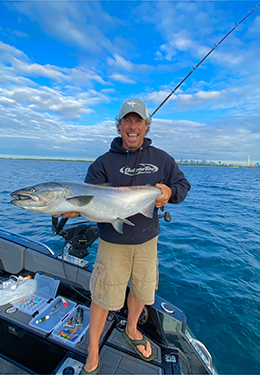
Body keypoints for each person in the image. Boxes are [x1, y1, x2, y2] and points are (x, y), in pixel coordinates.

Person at [57, 98, 190, 375]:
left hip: (147, 241)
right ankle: (92, 351)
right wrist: (75, 211)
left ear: (146, 125)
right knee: (102, 297)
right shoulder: (102, 163)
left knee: (142, 290)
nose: (132, 126)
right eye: (127, 121)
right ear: (118, 126)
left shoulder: (162, 159)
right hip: (113, 243)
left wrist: (168, 193)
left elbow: (182, 186)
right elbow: (90, 201)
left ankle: (132, 328)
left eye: (138, 121)